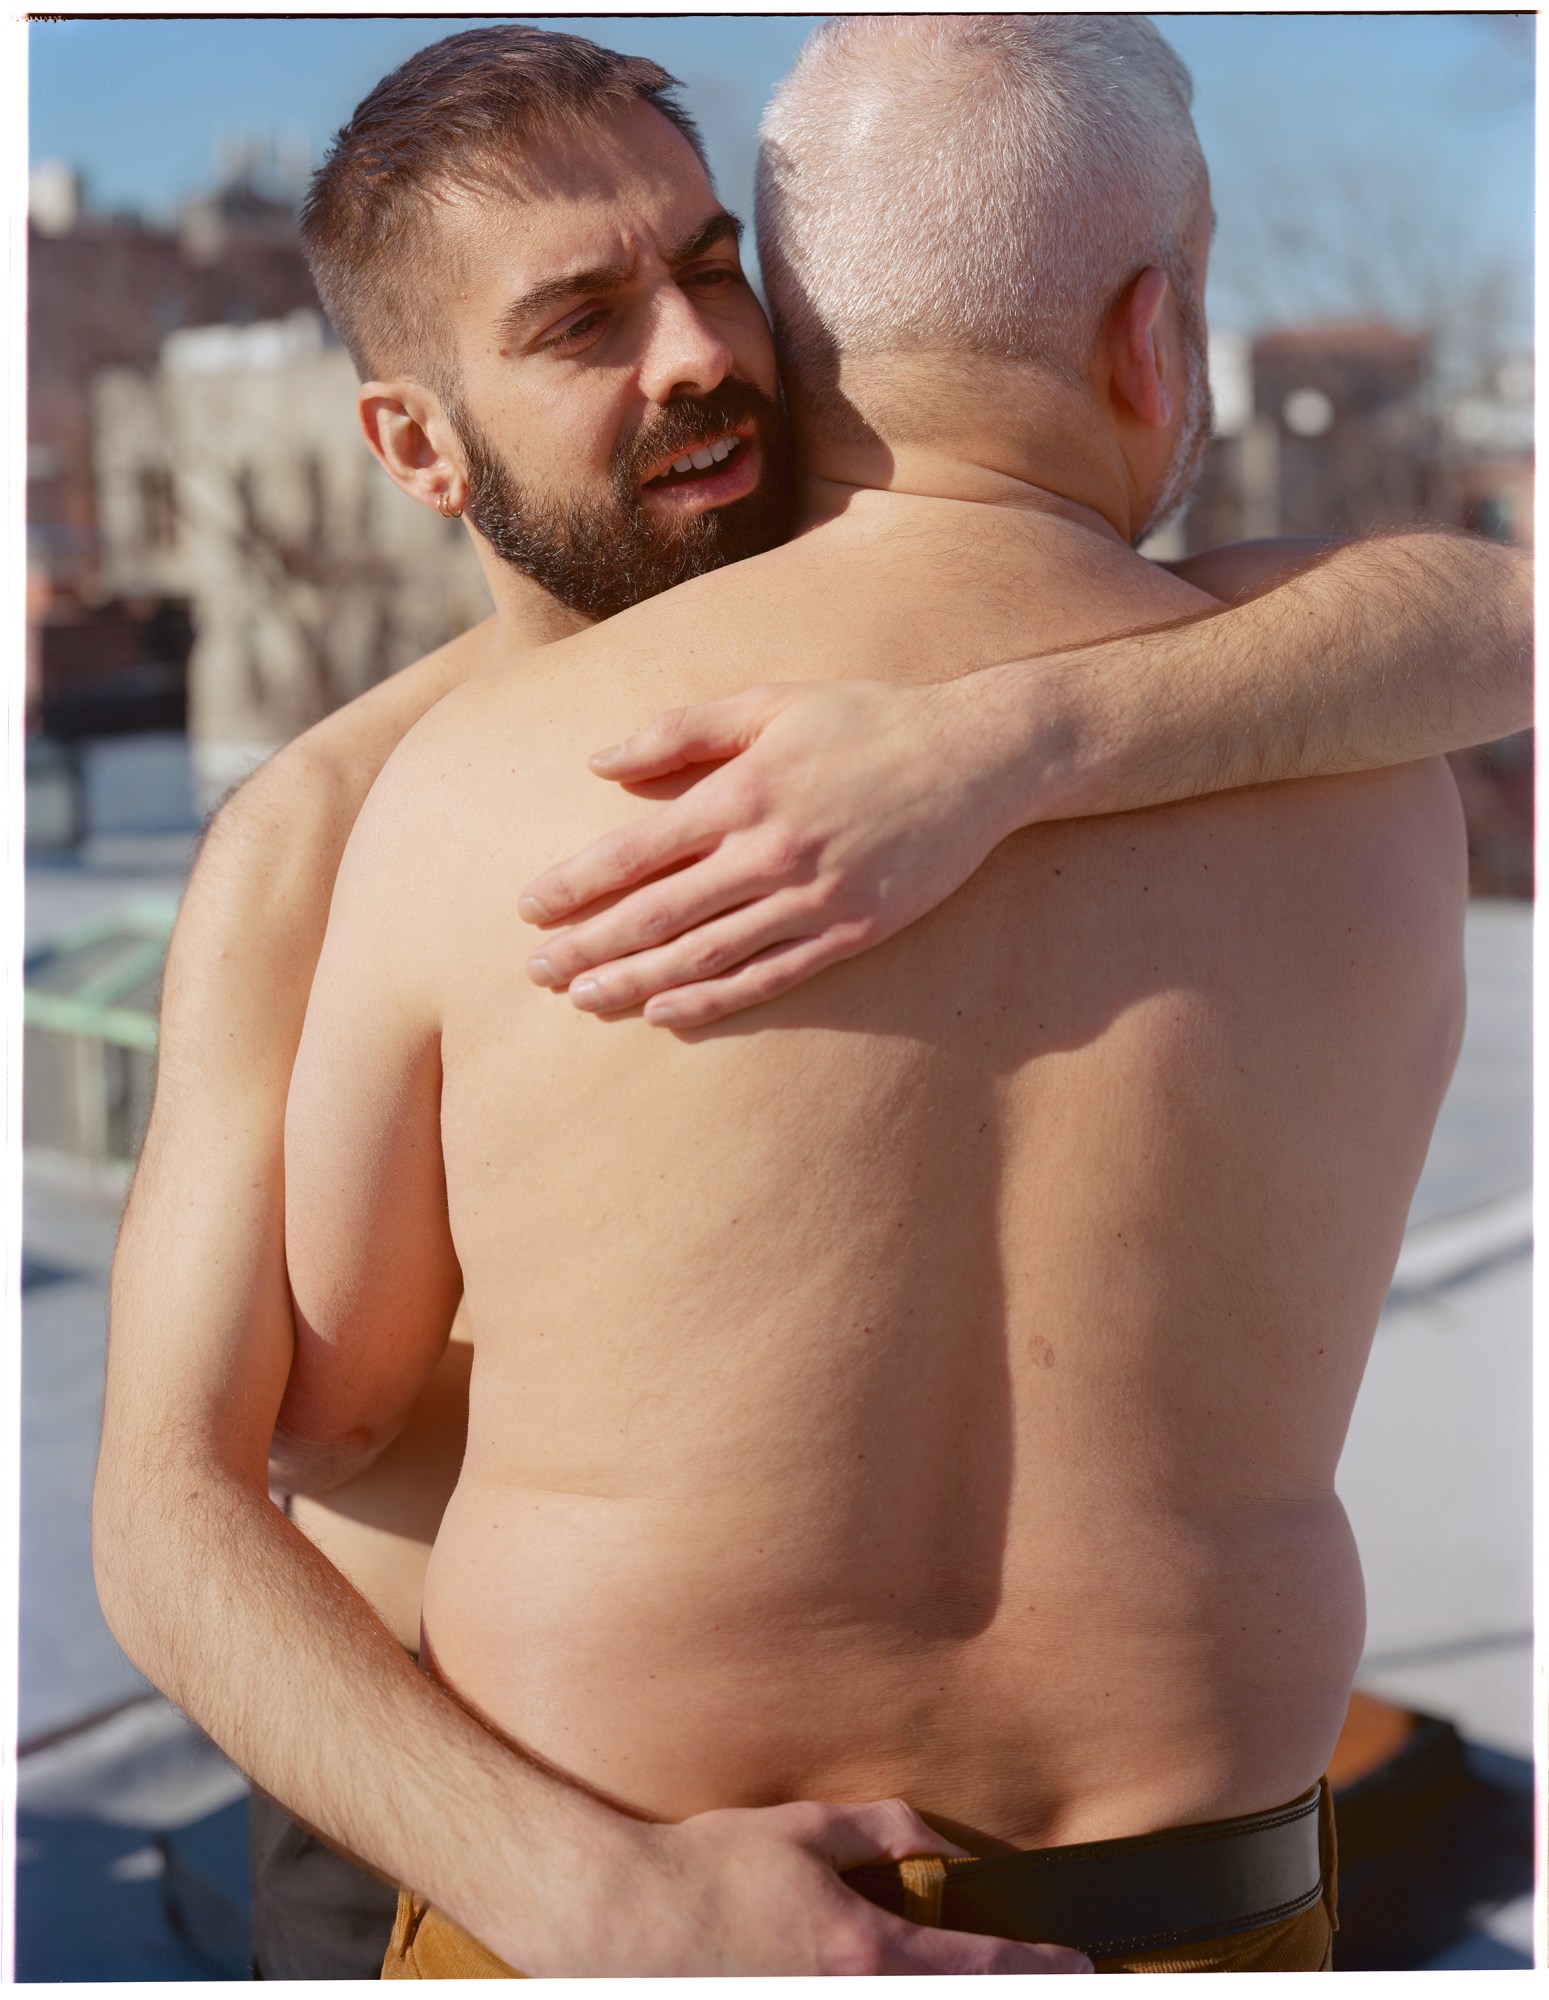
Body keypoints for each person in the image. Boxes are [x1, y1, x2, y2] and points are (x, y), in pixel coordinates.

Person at [90, 19, 1527, 1980]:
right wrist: (590, 1891)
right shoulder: (335, 822)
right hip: (489, 1819)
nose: (692, 353)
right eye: (583, 320)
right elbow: (199, 1492)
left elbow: (1496, 618)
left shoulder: (1169, 689)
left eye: (709, 269)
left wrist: (1012, 743)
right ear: (418, 444)